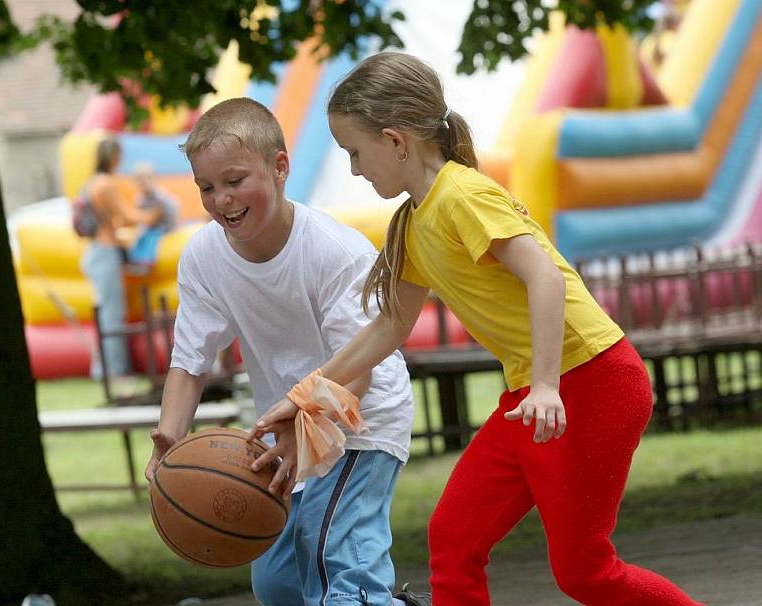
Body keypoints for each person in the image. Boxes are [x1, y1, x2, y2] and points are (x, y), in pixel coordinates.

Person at [253, 52, 706, 606]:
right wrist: (304, 398)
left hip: (591, 381)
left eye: (354, 152)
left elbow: (545, 278)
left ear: (396, 141)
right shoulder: (417, 219)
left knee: (585, 572)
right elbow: (390, 327)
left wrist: (545, 386)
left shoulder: (463, 195)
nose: (352, 168)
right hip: (532, 395)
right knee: (452, 541)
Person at [143, 98, 427, 606]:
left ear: (279, 168)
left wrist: (304, 427)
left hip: (360, 419)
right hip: (282, 431)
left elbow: (356, 372)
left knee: (335, 560)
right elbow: (189, 361)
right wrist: (171, 438)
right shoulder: (205, 257)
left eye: (234, 181)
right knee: (278, 587)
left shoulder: (332, 252)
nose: (221, 199)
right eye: (206, 187)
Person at [81, 137, 161, 379]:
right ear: (112, 156)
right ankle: (113, 371)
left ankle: (105, 368)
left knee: (107, 313)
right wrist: (153, 215)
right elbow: (126, 216)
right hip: (106, 252)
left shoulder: (91, 183)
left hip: (95, 252)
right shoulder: (106, 184)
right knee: (112, 315)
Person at [126, 162, 180, 273]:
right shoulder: (140, 198)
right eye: (140, 181)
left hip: (164, 225)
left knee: (151, 237)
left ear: (154, 180)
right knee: (140, 236)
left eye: (146, 179)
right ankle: (136, 260)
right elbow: (140, 214)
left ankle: (147, 262)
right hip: (150, 225)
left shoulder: (159, 196)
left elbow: (157, 214)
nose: (143, 183)